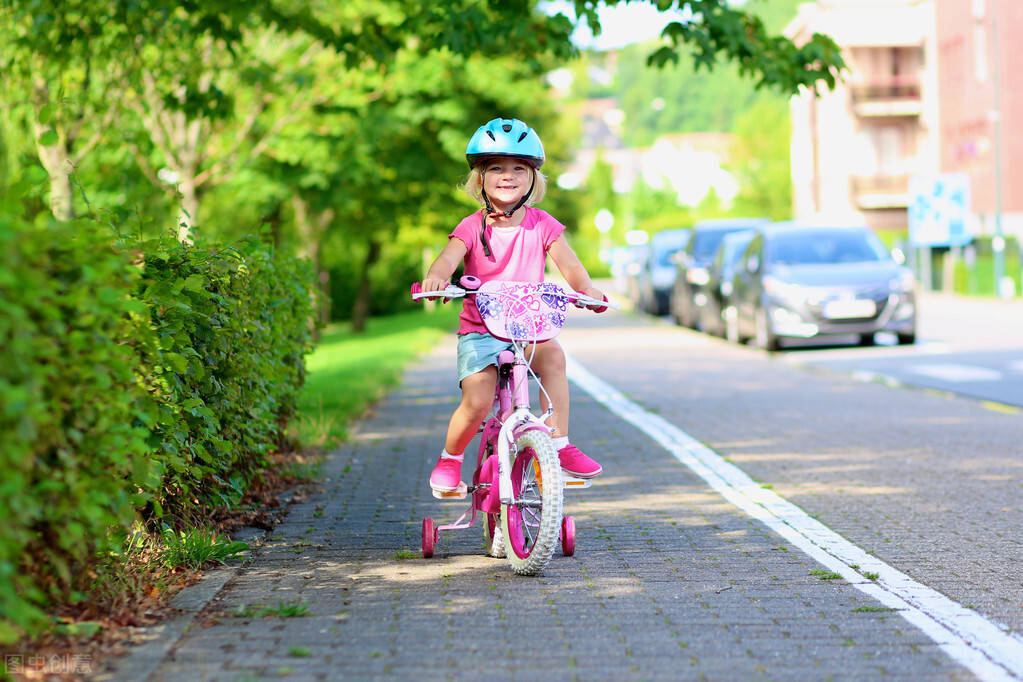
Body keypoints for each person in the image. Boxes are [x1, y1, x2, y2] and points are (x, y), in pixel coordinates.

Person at [420, 117, 605, 493]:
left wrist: (587, 289)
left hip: (529, 327)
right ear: (480, 180)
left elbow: (570, 266)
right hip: (482, 330)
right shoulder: (472, 226)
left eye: (519, 168)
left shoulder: (542, 224)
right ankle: (451, 458)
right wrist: (437, 278)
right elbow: (446, 259)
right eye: (496, 168)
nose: (508, 176)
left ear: (533, 179)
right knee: (477, 399)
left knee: (553, 359)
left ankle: (558, 443)